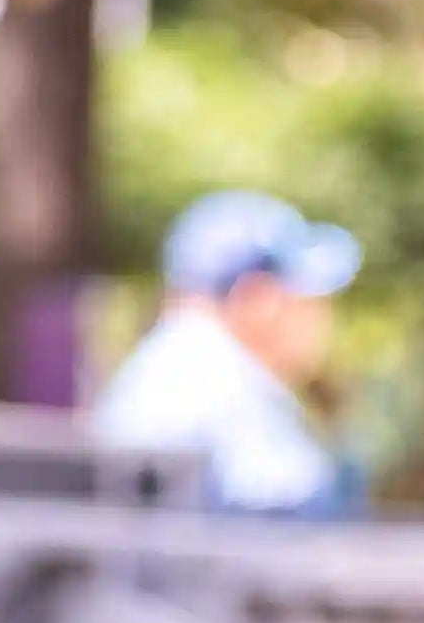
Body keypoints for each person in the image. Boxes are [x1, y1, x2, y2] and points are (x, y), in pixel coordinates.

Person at [89, 193, 362, 516]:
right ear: (257, 298)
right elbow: (306, 527)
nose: (322, 317)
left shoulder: (176, 362)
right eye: (308, 298)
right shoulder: (214, 381)